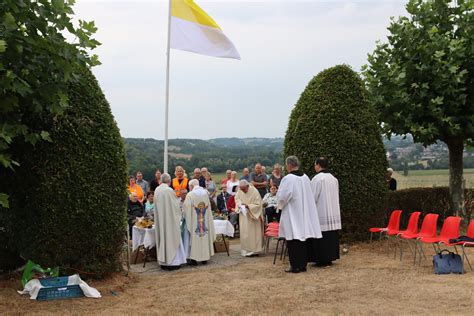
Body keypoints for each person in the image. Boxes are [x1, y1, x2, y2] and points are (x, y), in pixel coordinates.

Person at [277, 156, 322, 273]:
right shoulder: (305, 177)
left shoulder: (288, 179)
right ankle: (302, 265)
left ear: (289, 165)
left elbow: (282, 197)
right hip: (304, 212)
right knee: (302, 239)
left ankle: (295, 265)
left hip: (292, 213)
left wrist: (279, 205)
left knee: (293, 239)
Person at [310, 157, 342, 267]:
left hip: (321, 212)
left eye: (315, 164)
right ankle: (330, 258)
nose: (314, 167)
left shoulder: (317, 179)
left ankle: (321, 259)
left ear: (318, 165)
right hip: (333, 212)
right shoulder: (334, 178)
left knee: (322, 237)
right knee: (331, 237)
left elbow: (312, 197)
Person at [154, 173, 187, 271]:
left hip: (161, 220)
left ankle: (163, 262)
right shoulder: (169, 191)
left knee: (163, 239)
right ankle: (174, 262)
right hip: (170, 221)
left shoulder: (157, 190)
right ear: (169, 181)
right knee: (172, 238)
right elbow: (176, 206)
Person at [183, 179, 216, 265]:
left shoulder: (190, 195)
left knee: (195, 239)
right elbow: (208, 208)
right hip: (204, 221)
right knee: (204, 237)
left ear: (191, 186)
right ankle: (204, 259)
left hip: (195, 222)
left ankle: (194, 260)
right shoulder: (205, 194)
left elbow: (186, 209)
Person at [235, 180, 264, 257]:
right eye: (241, 189)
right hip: (244, 215)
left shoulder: (254, 192)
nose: (242, 191)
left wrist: (248, 206)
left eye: (244, 189)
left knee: (253, 233)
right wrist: (240, 204)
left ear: (247, 186)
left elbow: (258, 204)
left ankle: (255, 250)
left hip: (253, 216)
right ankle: (246, 249)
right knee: (245, 232)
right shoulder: (240, 190)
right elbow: (237, 198)